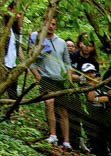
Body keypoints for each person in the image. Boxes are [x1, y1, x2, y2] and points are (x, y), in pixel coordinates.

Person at [31, 18, 73, 149]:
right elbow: (31, 60)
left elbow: (68, 63)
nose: (50, 26)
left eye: (53, 24)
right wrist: (37, 75)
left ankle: (66, 141)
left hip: (61, 79)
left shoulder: (61, 42)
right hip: (46, 77)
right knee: (49, 103)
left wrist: (70, 81)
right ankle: (53, 134)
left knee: (63, 110)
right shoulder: (37, 40)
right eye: (49, 23)